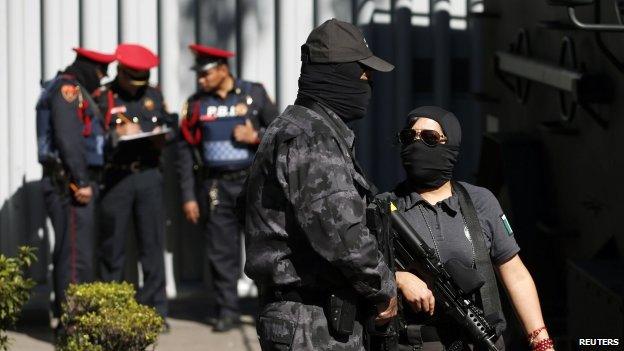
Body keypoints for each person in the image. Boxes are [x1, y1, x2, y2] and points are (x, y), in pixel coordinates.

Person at [244, 19, 397, 350]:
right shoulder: (312, 137)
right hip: (310, 321)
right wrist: (385, 287)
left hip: (309, 317)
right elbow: (343, 235)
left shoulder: (302, 128)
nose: (369, 80)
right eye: (362, 71)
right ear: (337, 72)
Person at [391, 106, 554, 351]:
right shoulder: (386, 208)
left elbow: (514, 273)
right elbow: (358, 269)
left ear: (451, 145)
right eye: (408, 137)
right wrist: (397, 278)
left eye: (429, 138)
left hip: (482, 341)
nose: (416, 144)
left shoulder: (480, 201)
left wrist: (541, 342)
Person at [177, 44, 278, 332]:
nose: (200, 79)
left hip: (253, 184)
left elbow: (282, 132)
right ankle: (227, 310)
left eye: (206, 73)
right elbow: (184, 153)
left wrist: (254, 136)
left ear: (223, 70)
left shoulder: (253, 94)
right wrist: (187, 196)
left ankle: (268, 308)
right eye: (198, 74)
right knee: (221, 252)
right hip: (215, 186)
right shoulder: (195, 105)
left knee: (263, 248)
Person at [94, 44, 175, 326]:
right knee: (111, 249)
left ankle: (156, 311)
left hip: (148, 175)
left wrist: (163, 135)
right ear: (120, 72)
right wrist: (114, 134)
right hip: (116, 177)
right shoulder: (104, 97)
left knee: (152, 246)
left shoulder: (153, 93)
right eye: (133, 78)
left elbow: (170, 124)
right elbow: (91, 138)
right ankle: (111, 313)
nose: (137, 85)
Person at [36, 47, 113, 328]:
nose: (103, 79)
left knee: (74, 253)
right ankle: (74, 327)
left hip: (70, 181)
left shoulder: (68, 88)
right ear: (91, 70)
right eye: (101, 73)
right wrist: (80, 180)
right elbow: (68, 139)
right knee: (75, 258)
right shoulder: (68, 90)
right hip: (69, 184)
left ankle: (71, 321)